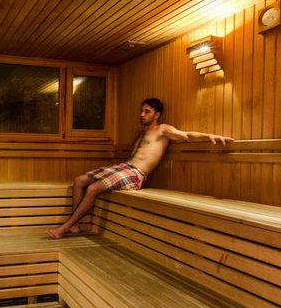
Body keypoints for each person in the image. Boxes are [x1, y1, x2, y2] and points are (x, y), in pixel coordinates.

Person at [47, 98, 233, 239]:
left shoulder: (163, 129)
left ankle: (66, 227)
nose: (142, 114)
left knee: (93, 189)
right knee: (80, 180)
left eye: (147, 111)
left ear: (157, 114)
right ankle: (74, 224)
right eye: (141, 111)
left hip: (136, 174)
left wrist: (210, 136)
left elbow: (186, 135)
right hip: (124, 167)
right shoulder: (142, 133)